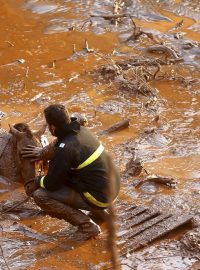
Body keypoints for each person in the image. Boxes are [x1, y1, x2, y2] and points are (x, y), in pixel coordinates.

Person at [21, 104, 120, 240]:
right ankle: (101, 213)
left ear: (52, 127)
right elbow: (58, 143)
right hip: (112, 188)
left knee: (40, 195)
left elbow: (51, 184)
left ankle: (87, 226)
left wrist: (37, 180)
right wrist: (42, 153)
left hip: (99, 197)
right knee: (78, 175)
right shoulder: (80, 130)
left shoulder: (65, 149)